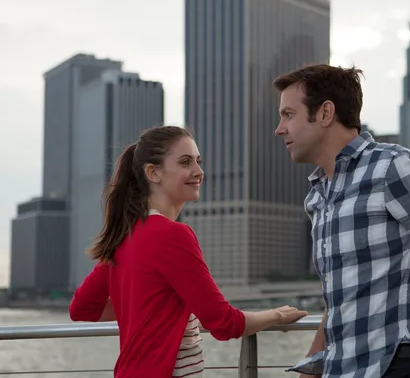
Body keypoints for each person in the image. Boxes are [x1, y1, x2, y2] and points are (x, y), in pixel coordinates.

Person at [273, 65, 410, 378]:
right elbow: (340, 301)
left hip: (397, 366)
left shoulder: (393, 167)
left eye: (288, 114)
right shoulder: (319, 196)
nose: (280, 128)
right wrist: (310, 370)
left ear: (325, 113)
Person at [69, 126, 308, 378]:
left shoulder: (125, 235)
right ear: (153, 172)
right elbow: (224, 323)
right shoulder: (172, 234)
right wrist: (278, 315)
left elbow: (82, 308)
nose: (198, 171)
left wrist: (151, 304)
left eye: (198, 161)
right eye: (185, 162)